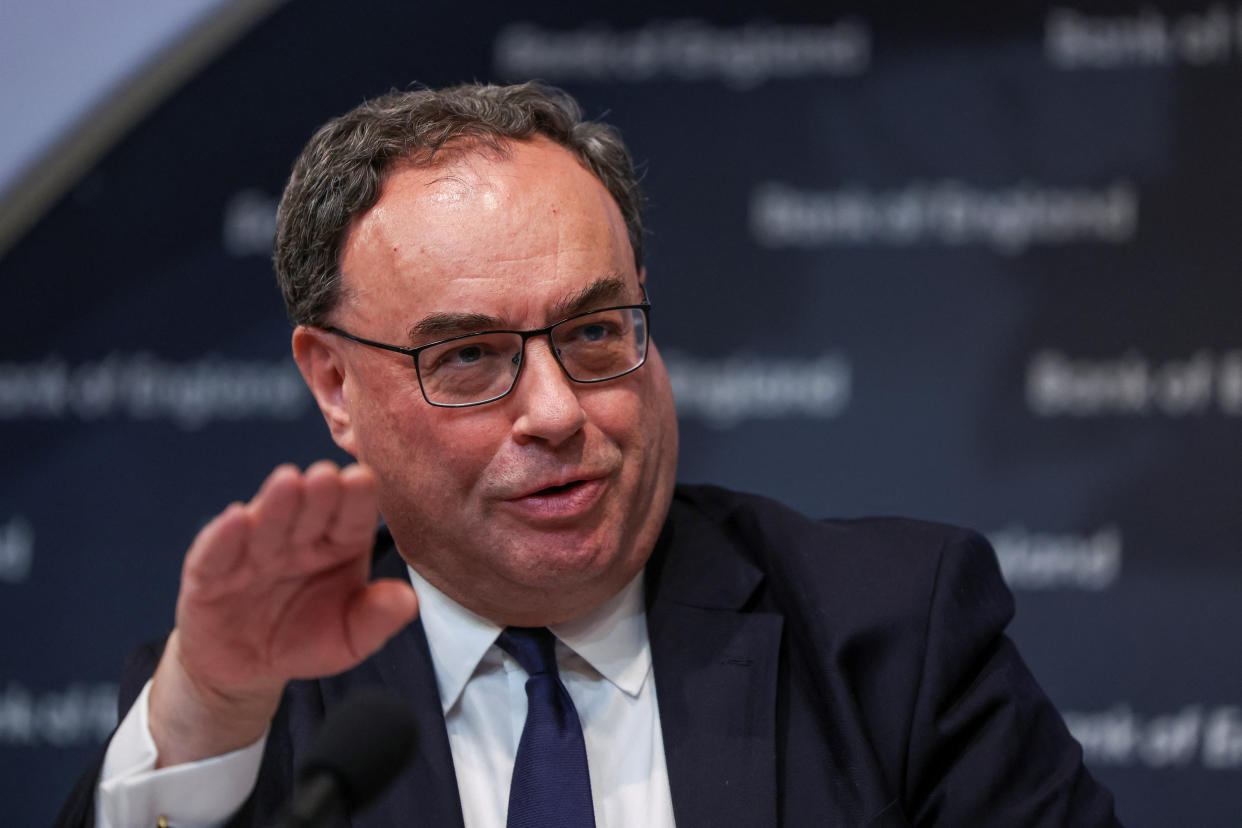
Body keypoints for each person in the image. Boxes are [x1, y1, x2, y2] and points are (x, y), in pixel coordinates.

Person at [56, 82, 1120, 827]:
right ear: (336, 385)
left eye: (597, 332)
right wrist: (203, 714)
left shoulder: (889, 634)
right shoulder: (249, 711)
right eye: (471, 357)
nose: (559, 411)